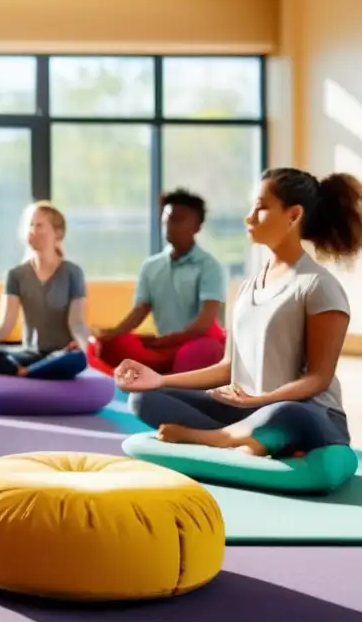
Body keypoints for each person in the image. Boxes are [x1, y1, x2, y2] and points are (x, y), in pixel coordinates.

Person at [117, 167, 361, 458]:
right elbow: (229, 368)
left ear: (293, 215)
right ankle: (253, 440)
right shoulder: (246, 289)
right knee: (144, 400)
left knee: (287, 414)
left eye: (260, 208)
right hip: (247, 411)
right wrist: (159, 379)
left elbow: (318, 379)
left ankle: (217, 438)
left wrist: (261, 399)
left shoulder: (318, 286)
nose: (248, 217)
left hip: (307, 415)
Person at [92, 189, 228, 374]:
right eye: (167, 219)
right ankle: (162, 372)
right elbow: (140, 311)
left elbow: (204, 324)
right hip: (164, 345)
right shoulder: (151, 266)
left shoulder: (209, 267)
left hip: (197, 344)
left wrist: (166, 340)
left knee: (198, 352)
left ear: (197, 226)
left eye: (179, 219)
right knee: (112, 344)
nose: (170, 226)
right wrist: (110, 335)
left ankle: (169, 376)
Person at [0, 201, 89, 379]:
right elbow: (4, 325)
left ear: (58, 233)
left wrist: (89, 350)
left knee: (77, 359)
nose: (32, 230)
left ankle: (25, 372)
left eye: (39, 225)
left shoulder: (73, 272)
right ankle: (30, 371)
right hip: (29, 354)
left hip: (61, 354)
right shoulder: (15, 274)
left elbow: (77, 324)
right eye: (30, 224)